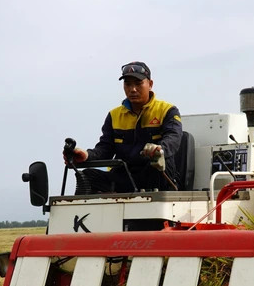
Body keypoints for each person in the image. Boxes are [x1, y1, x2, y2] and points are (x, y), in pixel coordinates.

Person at [67, 61, 183, 193]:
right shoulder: (114, 115)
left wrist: (159, 149)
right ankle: (83, 213)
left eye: (138, 84)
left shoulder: (167, 110)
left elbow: (173, 138)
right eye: (128, 84)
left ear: (150, 84)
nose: (133, 89)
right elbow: (105, 149)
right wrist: (86, 155)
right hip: (124, 176)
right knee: (87, 176)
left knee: (157, 163)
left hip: (155, 175)